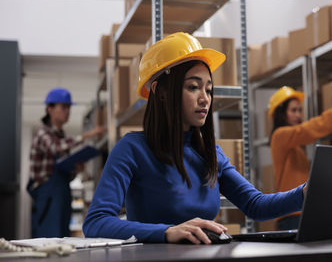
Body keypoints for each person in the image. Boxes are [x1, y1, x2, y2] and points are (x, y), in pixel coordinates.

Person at [83, 32, 306, 244]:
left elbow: (256, 205)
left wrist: (305, 192)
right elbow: (96, 222)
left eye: (208, 90)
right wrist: (167, 231)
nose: (204, 99)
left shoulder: (210, 154)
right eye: (193, 87)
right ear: (160, 92)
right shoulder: (132, 149)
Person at [268, 86, 332, 230]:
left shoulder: (295, 147)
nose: (298, 115)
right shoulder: (280, 135)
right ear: (281, 113)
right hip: (291, 215)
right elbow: (306, 130)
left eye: (300, 110)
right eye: (293, 110)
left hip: (302, 212)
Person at [28, 87, 105, 238]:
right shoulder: (42, 132)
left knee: (61, 238)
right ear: (49, 109)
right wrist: (87, 135)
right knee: (48, 240)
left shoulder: (61, 136)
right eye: (63, 107)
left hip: (62, 193)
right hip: (48, 197)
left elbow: (61, 170)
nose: (67, 111)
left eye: (69, 107)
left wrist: (75, 169)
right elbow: (56, 148)